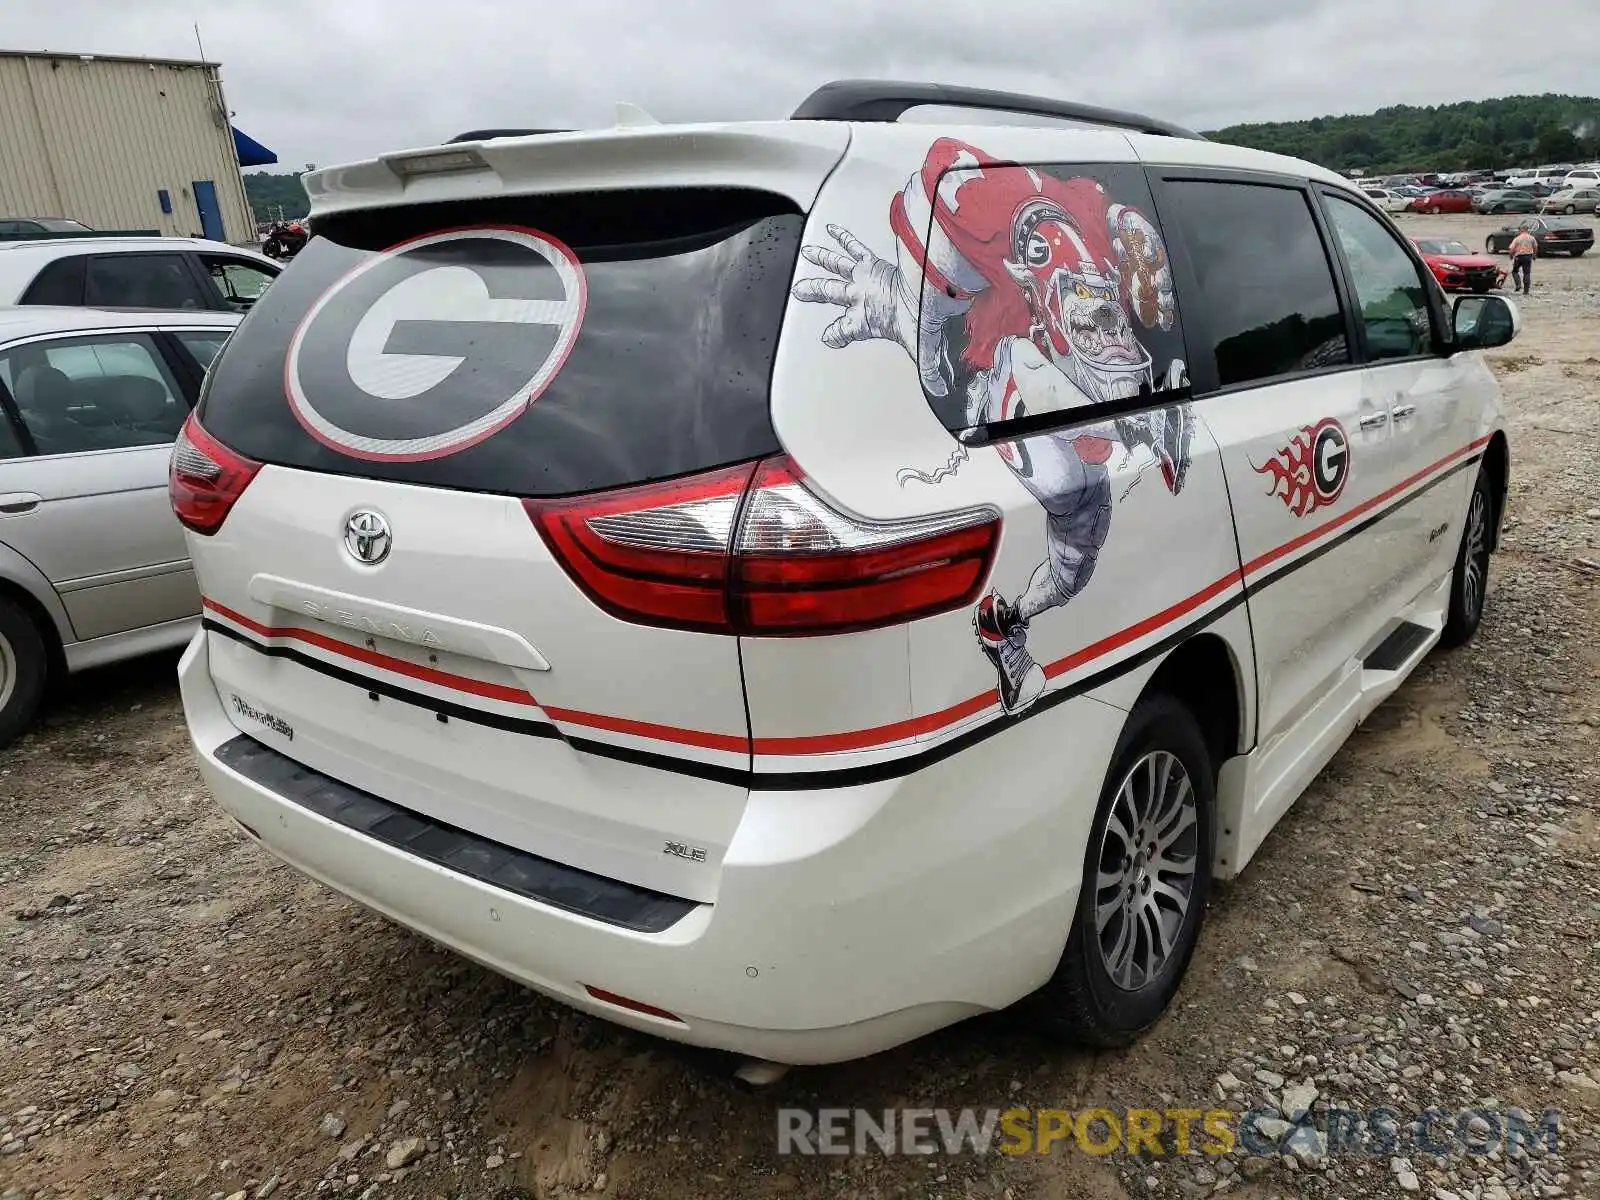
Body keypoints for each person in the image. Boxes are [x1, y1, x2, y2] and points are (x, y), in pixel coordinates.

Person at [1508, 226, 1538, 294]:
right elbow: (1535, 247)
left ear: (1521, 230)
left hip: (1518, 257)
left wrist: (1511, 256)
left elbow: (1511, 249)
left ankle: (1518, 284)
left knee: (1514, 271)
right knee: (1527, 273)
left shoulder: (1517, 238)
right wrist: (1534, 255)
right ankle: (1526, 291)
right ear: (1527, 230)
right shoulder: (1531, 238)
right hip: (1528, 256)